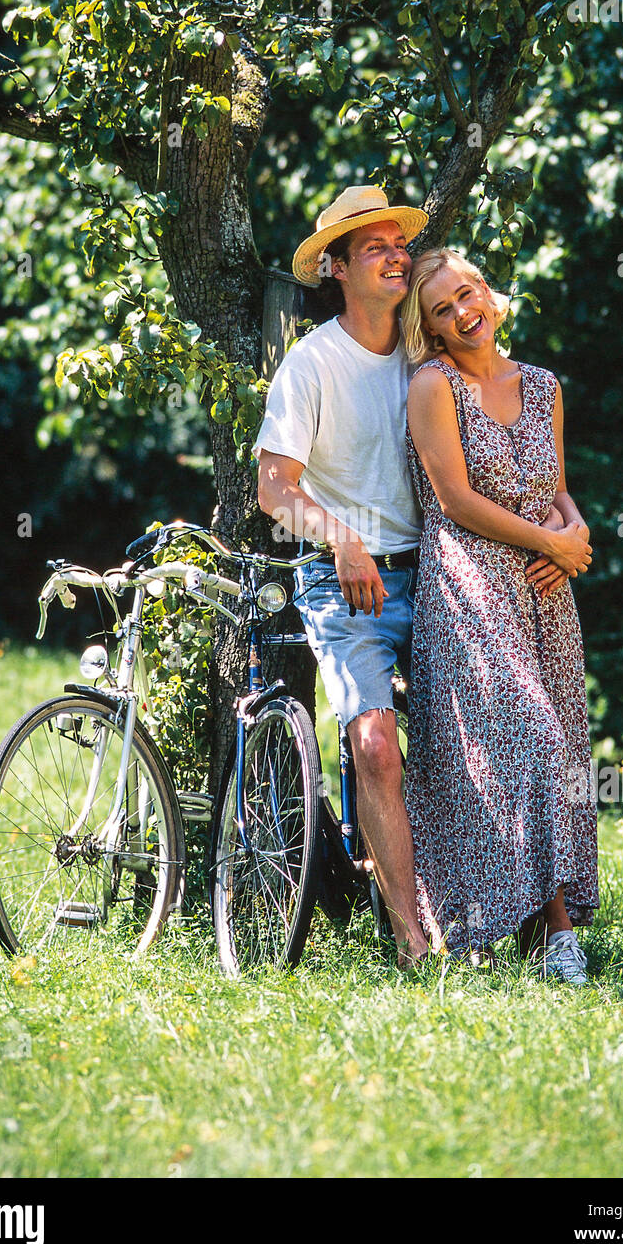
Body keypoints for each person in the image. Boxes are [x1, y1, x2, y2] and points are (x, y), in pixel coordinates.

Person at [401, 247, 599, 984]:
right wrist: (551, 537)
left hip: (546, 587)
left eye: (469, 293)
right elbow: (454, 499)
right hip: (469, 584)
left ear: (491, 296)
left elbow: (555, 486)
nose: (464, 311)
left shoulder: (543, 384)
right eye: (444, 309)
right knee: (529, 741)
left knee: (558, 745)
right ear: (433, 330)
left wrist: (573, 536)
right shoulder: (433, 386)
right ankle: (556, 937)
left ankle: (526, 922)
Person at [254, 184, 431, 969]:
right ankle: (410, 943)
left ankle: (503, 919)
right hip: (341, 582)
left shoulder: (429, 353)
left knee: (479, 738)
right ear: (336, 269)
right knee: (375, 745)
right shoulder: (312, 362)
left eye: (401, 245)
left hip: (435, 577)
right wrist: (343, 540)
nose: (397, 257)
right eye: (375, 248)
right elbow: (274, 486)